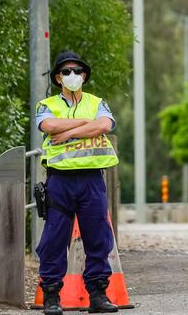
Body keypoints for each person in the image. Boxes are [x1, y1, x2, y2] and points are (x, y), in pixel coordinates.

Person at [35, 51, 119, 315]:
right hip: (59, 181)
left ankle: (97, 295)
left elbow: (104, 126)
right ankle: (51, 297)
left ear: (84, 75)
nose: (73, 76)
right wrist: (85, 122)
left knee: (98, 238)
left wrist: (69, 131)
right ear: (58, 78)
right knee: (54, 239)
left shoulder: (97, 102)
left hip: (91, 179)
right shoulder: (46, 104)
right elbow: (48, 126)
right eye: (66, 72)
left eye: (77, 71)